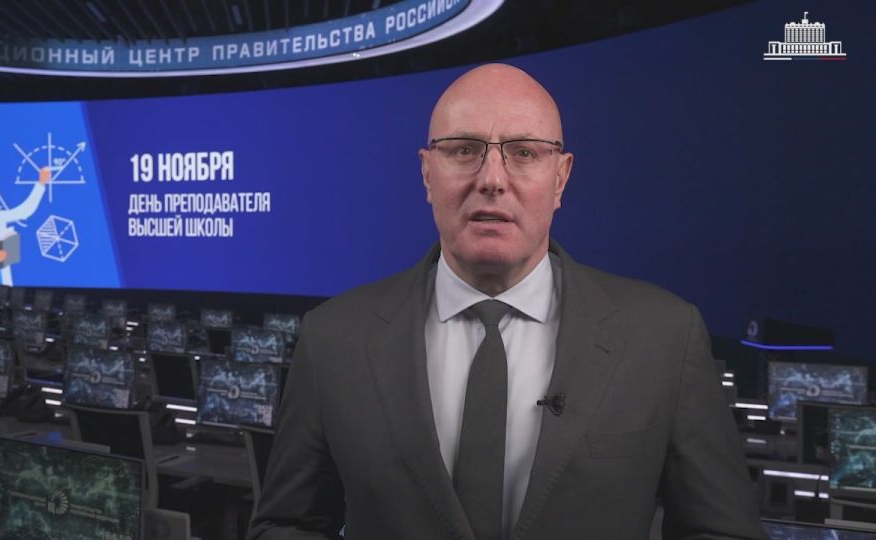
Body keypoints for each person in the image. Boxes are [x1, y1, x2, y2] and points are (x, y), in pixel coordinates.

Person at [250, 64, 765, 539]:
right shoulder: (334, 339)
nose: (492, 180)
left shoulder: (664, 338)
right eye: (463, 150)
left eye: (523, 153)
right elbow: (287, 524)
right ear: (427, 174)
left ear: (560, 178)